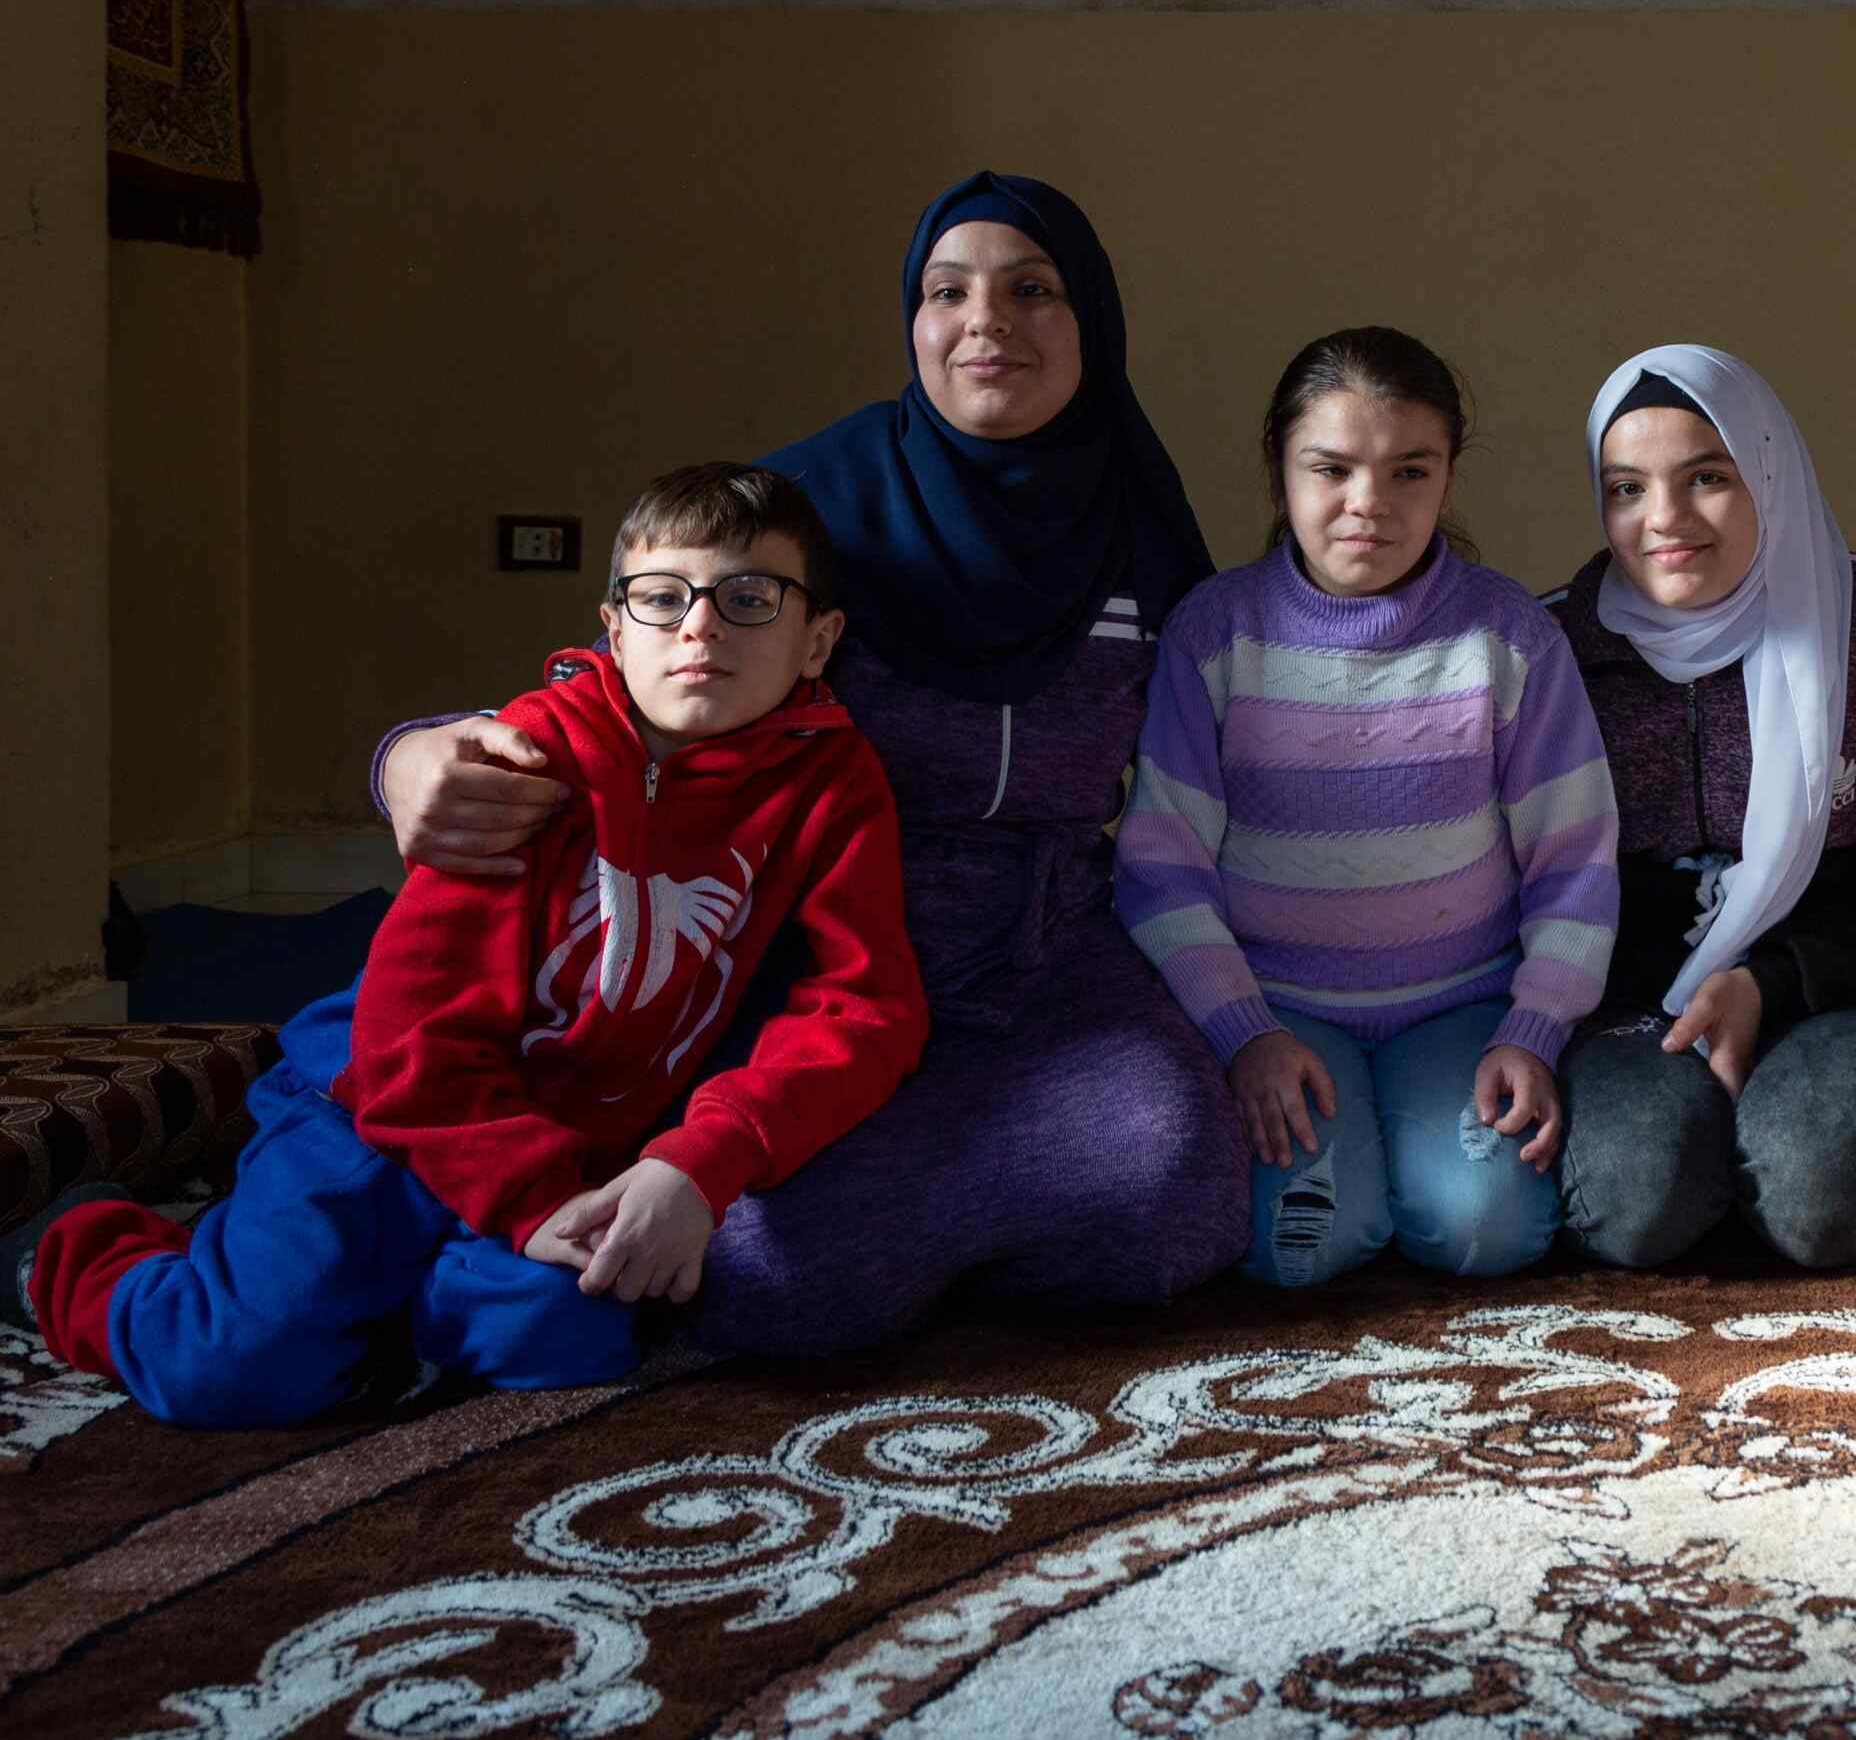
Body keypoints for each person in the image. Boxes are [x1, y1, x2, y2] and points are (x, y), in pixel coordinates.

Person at [369, 172, 1244, 1352]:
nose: (986, 321)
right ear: (912, 320)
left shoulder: (1139, 526)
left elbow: (1231, 741)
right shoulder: (813, 509)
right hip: (804, 964)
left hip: (1051, 947)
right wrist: (406, 756)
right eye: (949, 292)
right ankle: (894, 1229)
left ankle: (921, 1221)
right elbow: (631, 682)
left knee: (1187, 1203)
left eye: (1032, 290)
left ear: (1091, 318)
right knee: (780, 1286)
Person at [9, 465, 925, 1425]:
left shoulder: (833, 780)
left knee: (572, 1341)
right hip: (384, 1113)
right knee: (226, 1368)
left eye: (748, 599)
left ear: (817, 639)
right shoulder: (523, 760)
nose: (699, 627)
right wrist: (527, 1204)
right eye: (661, 599)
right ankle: (68, 1250)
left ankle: (386, 1304)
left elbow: (864, 1005)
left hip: (575, 1141)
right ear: (614, 628)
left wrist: (702, 1158)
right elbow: (412, 1038)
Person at [1117, 327, 1617, 1286]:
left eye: (1408, 472)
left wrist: (1533, 1029)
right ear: (1279, 476)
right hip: (1283, 1018)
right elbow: (1161, 864)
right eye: (1331, 469)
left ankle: (1409, 1166)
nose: (1368, 505)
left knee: (1489, 1234)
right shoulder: (1215, 636)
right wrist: (1244, 1034)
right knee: (1298, 1250)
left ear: (1447, 479)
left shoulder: (1506, 637)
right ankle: (1366, 1175)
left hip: (1464, 1012)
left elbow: (1576, 856)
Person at [1548, 346, 1856, 1270]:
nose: (1662, 521)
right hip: (1631, 995)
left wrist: (1766, 981)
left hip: (1834, 983)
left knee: (1819, 1202)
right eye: (1625, 488)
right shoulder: (1556, 640)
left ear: (1769, 473)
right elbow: (1527, 887)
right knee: (1635, 1205)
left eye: (1707, 477)